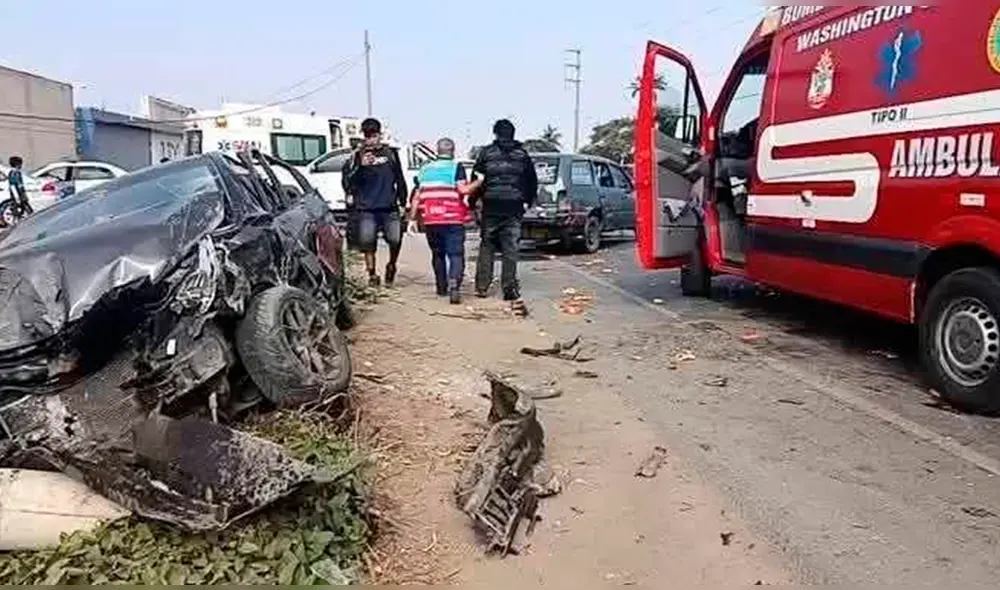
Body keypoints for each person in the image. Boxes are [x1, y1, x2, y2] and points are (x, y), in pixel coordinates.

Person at [464, 119, 537, 314]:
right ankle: (509, 289)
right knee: (510, 248)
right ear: (513, 134)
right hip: (514, 207)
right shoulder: (522, 155)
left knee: (487, 245)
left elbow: (477, 181)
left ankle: (481, 287)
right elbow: (531, 181)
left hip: (491, 206)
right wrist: (526, 201)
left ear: (496, 134)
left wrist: (472, 204)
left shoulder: (486, 153)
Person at [342, 118, 409, 287]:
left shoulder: (391, 154)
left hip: (389, 206)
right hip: (366, 207)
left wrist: (403, 202)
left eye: (374, 135)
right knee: (367, 241)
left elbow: (400, 179)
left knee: (395, 239)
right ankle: (372, 274)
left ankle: (392, 265)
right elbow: (349, 183)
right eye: (368, 136)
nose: (371, 139)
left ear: (380, 134)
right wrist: (361, 166)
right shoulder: (357, 156)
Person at [408, 137, 471, 304]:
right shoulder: (456, 168)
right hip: (452, 218)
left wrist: (412, 219)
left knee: (438, 254)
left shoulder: (425, 169)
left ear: (438, 151)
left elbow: (416, 196)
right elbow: (463, 190)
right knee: (456, 253)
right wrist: (479, 182)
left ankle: (441, 287)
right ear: (453, 151)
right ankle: (454, 284)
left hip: (431, 219)